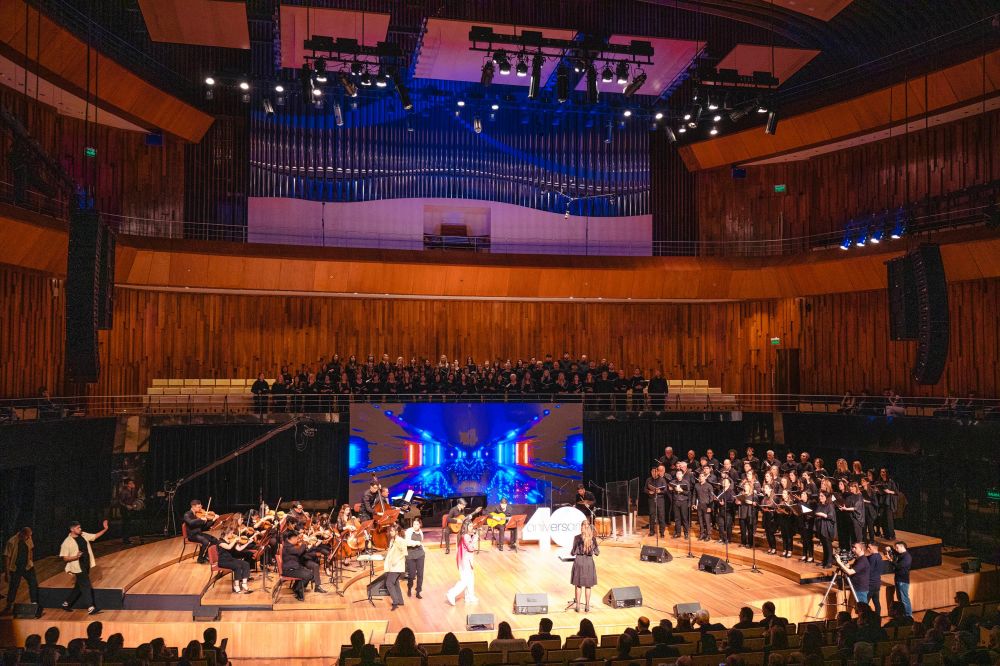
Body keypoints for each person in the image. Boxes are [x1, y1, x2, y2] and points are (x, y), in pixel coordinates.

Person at [59, 519, 108, 614]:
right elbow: (64, 558)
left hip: (85, 564)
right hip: (77, 567)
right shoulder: (67, 542)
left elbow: (95, 536)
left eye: (80, 527)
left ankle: (66, 603)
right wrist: (75, 557)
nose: (80, 529)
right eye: (78, 528)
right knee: (86, 585)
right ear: (72, 529)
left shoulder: (83, 535)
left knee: (79, 586)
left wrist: (105, 529)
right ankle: (90, 608)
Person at [384, 524, 421, 611]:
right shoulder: (392, 540)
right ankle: (400, 601)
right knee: (395, 583)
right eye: (390, 530)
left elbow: (405, 553)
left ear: (396, 532)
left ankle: (395, 602)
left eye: (392, 531)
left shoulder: (400, 541)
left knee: (389, 583)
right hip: (392, 566)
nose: (390, 532)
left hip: (397, 566)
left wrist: (396, 560)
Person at [3, 527, 37, 613]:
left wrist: (31, 560)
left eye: (30, 536)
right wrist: (7, 573)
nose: (29, 538)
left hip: (27, 566)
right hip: (16, 567)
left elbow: (31, 549)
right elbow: (7, 557)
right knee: (13, 586)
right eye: (27, 536)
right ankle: (9, 604)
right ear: (22, 534)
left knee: (33, 583)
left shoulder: (29, 538)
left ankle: (34, 603)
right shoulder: (12, 541)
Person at [446, 520, 479, 605]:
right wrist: (475, 538)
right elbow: (471, 548)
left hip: (465, 560)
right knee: (465, 580)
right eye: (470, 526)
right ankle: (451, 594)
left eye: (472, 526)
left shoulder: (463, 535)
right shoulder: (466, 536)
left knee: (470, 578)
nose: (472, 528)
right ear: (466, 527)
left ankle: (470, 596)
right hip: (465, 561)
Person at [570, 519, 599, 613]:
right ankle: (587, 606)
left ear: (581, 527)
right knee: (588, 586)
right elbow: (597, 553)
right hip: (589, 563)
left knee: (578, 585)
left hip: (579, 562)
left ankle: (578, 606)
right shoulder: (593, 539)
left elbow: (573, 552)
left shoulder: (577, 538)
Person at [217, 526, 253, 594]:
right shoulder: (220, 542)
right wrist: (235, 540)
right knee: (237, 566)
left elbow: (239, 549)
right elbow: (228, 547)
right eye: (231, 533)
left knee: (246, 564)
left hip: (230, 559)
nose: (233, 534)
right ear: (226, 533)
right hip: (223, 561)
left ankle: (244, 584)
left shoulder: (231, 540)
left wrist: (248, 543)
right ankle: (236, 586)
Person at [280, 530, 315, 601]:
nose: (297, 540)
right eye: (296, 538)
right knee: (309, 575)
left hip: (293, 568)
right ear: (291, 539)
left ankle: (296, 587)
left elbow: (298, 553)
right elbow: (299, 552)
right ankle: (298, 589)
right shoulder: (288, 547)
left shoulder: (289, 545)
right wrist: (304, 544)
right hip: (289, 570)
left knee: (309, 573)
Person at [183, 499, 220, 564]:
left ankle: (207, 556)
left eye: (201, 507)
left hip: (199, 533)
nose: (201, 509)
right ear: (193, 507)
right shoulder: (187, 514)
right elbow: (190, 522)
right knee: (205, 542)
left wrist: (213, 520)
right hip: (192, 535)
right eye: (199, 507)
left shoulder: (200, 514)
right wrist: (200, 519)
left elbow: (205, 527)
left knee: (214, 540)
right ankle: (200, 559)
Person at [884, 541, 912, 617]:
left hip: (903, 581)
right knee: (900, 598)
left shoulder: (907, 557)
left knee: (904, 599)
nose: (896, 549)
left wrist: (891, 561)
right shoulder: (901, 554)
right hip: (898, 579)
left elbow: (899, 566)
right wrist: (890, 549)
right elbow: (894, 553)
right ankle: (903, 615)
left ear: (902, 547)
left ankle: (908, 615)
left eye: (897, 547)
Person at [404, 517, 426, 598]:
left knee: (420, 574)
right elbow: (407, 542)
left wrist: (423, 550)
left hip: (420, 554)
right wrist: (416, 543)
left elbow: (421, 542)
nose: (415, 526)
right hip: (410, 554)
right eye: (414, 524)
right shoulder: (409, 531)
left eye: (417, 524)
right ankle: (409, 588)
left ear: (420, 525)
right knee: (412, 575)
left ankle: (418, 592)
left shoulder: (420, 532)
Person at [117, 478, 142, 546]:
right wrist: (126, 506)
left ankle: (127, 538)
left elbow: (133, 498)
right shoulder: (124, 491)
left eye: (132, 483)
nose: (132, 484)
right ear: (127, 485)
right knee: (126, 524)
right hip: (124, 510)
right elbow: (119, 501)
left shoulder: (132, 490)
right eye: (131, 483)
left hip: (130, 509)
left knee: (129, 524)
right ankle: (125, 540)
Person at [646, 465, 667, 537]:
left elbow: (665, 490)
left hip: (660, 500)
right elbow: (645, 489)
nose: (653, 473)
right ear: (651, 472)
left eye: (655, 471)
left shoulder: (662, 479)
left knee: (661, 516)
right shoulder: (648, 479)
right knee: (652, 516)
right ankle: (652, 531)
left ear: (658, 472)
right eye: (652, 472)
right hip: (651, 499)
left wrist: (659, 491)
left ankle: (662, 532)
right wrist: (649, 492)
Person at [670, 468, 692, 539]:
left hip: (683, 502)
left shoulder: (686, 482)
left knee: (684, 518)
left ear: (682, 475)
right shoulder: (674, 482)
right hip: (676, 501)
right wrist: (672, 489)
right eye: (677, 474)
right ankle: (678, 532)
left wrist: (681, 490)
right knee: (677, 518)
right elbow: (671, 491)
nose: (678, 475)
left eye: (680, 474)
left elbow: (688, 493)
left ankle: (686, 533)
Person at [694, 471, 714, 542]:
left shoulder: (709, 486)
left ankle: (708, 535)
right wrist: (694, 504)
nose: (701, 478)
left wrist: (710, 507)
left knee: (707, 521)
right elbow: (694, 495)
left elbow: (711, 497)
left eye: (702, 476)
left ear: (705, 477)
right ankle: (702, 534)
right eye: (700, 476)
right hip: (699, 505)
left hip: (706, 505)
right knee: (700, 521)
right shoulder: (696, 485)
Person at [865, 542, 883, 616]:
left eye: (869, 548)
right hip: (877, 583)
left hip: (871, 584)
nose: (867, 549)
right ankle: (878, 617)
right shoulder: (879, 556)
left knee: (865, 604)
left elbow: (870, 570)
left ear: (873, 548)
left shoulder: (872, 557)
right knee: (876, 602)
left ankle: (866, 619)